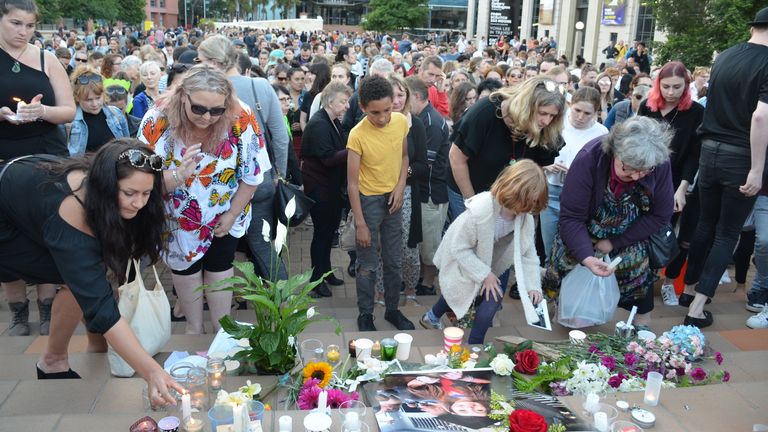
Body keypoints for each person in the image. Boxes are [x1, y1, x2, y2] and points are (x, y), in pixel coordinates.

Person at [0, 139, 184, 405]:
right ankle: (54, 360)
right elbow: (100, 306)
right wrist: (152, 372)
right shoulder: (72, 213)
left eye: (146, 194)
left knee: (84, 275)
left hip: (27, 198)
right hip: (7, 225)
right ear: (105, 186)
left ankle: (64, 355)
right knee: (82, 278)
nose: (139, 204)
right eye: (130, 193)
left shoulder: (103, 181)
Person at [137, 64, 271, 335]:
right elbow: (141, 179)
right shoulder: (156, 119)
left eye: (216, 110)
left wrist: (232, 213)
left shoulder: (240, 116)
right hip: (176, 215)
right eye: (198, 108)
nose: (207, 117)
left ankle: (223, 330)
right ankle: (193, 329)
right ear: (182, 96)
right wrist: (177, 175)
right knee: (185, 269)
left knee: (220, 264)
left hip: (226, 210)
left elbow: (253, 175)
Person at [543, 117, 674, 330]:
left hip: (631, 229)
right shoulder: (589, 158)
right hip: (585, 225)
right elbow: (571, 217)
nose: (635, 176)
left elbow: (660, 214)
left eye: (643, 171)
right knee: (563, 264)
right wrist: (586, 256)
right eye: (628, 169)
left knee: (637, 267)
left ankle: (640, 320)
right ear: (615, 152)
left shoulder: (658, 161)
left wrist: (615, 242)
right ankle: (563, 304)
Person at [682, 7, 768, 328]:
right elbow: (761, 117)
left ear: (753, 28)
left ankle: (689, 291)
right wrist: (757, 169)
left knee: (705, 225)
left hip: (710, 151)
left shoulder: (726, 56)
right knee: (727, 233)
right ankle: (697, 308)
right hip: (740, 156)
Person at [0, 0, 76, 336]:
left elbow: (69, 111)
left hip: (46, 156)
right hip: (3, 157)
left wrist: (42, 112)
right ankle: (18, 310)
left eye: (30, 26)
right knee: (5, 233)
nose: (24, 32)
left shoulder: (47, 59)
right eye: (16, 24)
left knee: (47, 229)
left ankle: (47, 307)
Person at [197, 35, 290, 282]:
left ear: (215, 62)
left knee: (216, 251)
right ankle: (283, 303)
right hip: (258, 180)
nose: (197, 67)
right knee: (262, 246)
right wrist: (278, 174)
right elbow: (280, 137)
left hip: (219, 186)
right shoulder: (260, 86)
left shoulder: (203, 91)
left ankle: (219, 304)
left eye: (201, 61)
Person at [420, 161, 546, 342]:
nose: (529, 209)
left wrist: (533, 285)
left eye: (534, 204)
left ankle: (475, 342)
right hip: (462, 252)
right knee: (460, 289)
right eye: (528, 202)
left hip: (493, 255)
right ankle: (432, 316)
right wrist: (484, 274)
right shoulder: (480, 209)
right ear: (514, 191)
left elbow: (528, 254)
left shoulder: (524, 218)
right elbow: (459, 248)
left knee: (494, 296)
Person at [347, 75, 415, 332]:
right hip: (368, 202)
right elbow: (352, 184)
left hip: (393, 199)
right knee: (367, 264)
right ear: (363, 107)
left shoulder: (399, 122)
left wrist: (399, 187)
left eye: (387, 110)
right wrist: (361, 224)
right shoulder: (357, 135)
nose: (383, 117)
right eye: (375, 112)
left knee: (394, 260)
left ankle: (392, 310)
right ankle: (365, 314)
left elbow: (404, 157)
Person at [636, 61, 705, 307]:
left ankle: (667, 282)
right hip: (642, 176)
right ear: (658, 85)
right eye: (666, 86)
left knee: (666, 234)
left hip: (675, 179)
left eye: (677, 87)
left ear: (686, 86)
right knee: (636, 230)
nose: (671, 92)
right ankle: (637, 279)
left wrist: (682, 187)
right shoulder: (647, 106)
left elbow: (693, 154)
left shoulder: (695, 112)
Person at [372, 74, 428, 303]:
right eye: (391, 95)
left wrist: (402, 175)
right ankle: (381, 291)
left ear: (406, 97)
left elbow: (423, 165)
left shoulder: (416, 125)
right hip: (377, 193)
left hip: (405, 194)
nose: (395, 100)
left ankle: (409, 290)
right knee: (379, 246)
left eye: (400, 95)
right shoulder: (373, 124)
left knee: (407, 247)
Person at [540, 87, 608, 261]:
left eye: (587, 113)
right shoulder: (555, 123)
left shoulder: (602, 133)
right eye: (577, 110)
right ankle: (550, 283)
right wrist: (546, 165)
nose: (580, 117)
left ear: (596, 113)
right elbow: (535, 153)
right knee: (548, 245)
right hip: (551, 191)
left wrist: (579, 173)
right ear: (570, 105)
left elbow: (603, 170)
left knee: (572, 248)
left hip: (580, 196)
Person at [301, 82, 352, 297]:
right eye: (343, 101)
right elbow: (329, 159)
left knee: (329, 232)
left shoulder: (332, 121)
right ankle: (315, 280)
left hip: (330, 189)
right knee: (321, 235)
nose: (347, 106)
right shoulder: (319, 124)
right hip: (319, 189)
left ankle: (325, 272)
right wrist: (355, 149)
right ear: (330, 101)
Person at [407, 76, 451, 297]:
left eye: (405, 97)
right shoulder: (425, 117)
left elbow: (428, 164)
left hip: (432, 193)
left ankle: (427, 284)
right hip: (425, 191)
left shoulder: (431, 122)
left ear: (415, 96)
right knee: (423, 241)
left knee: (429, 245)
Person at [65, 66, 130, 156]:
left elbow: (128, 145)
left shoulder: (116, 114)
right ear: (77, 97)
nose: (95, 104)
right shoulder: (70, 121)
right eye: (88, 100)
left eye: (98, 98)